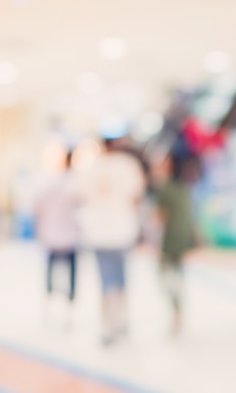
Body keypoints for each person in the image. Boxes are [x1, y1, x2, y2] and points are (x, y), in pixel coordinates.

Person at [77, 137, 146, 346]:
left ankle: (109, 324)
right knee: (121, 279)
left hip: (99, 233)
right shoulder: (128, 165)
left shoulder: (92, 167)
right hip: (122, 231)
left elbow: (82, 196)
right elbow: (137, 195)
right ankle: (121, 321)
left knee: (106, 281)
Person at [153, 153, 199, 335]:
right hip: (183, 239)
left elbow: (160, 217)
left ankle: (176, 310)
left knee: (165, 276)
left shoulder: (167, 189)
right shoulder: (184, 188)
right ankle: (178, 310)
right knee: (176, 276)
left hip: (171, 239)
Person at [35, 151, 79, 316]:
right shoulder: (73, 183)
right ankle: (69, 303)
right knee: (69, 270)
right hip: (67, 236)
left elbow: (38, 207)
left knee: (52, 269)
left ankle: (50, 300)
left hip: (52, 234)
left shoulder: (50, 182)